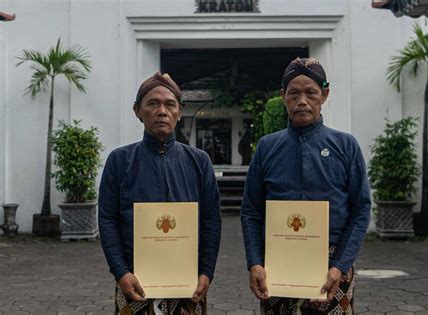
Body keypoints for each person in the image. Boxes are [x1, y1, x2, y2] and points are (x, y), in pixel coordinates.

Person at [240, 57, 371, 314]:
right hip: (277, 264)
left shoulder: (345, 145)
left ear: (324, 95)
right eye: (294, 93)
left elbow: (361, 209)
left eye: (311, 93)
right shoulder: (267, 147)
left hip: (333, 265)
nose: (302, 101)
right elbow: (251, 211)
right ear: (283, 96)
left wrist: (340, 265)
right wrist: (255, 262)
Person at [99, 72, 221, 314]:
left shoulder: (199, 161)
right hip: (134, 283)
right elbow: (108, 220)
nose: (161, 111)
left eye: (169, 104)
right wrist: (121, 272)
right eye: (152, 103)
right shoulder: (120, 161)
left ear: (180, 111)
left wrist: (206, 271)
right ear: (137, 110)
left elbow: (211, 221)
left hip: (188, 283)